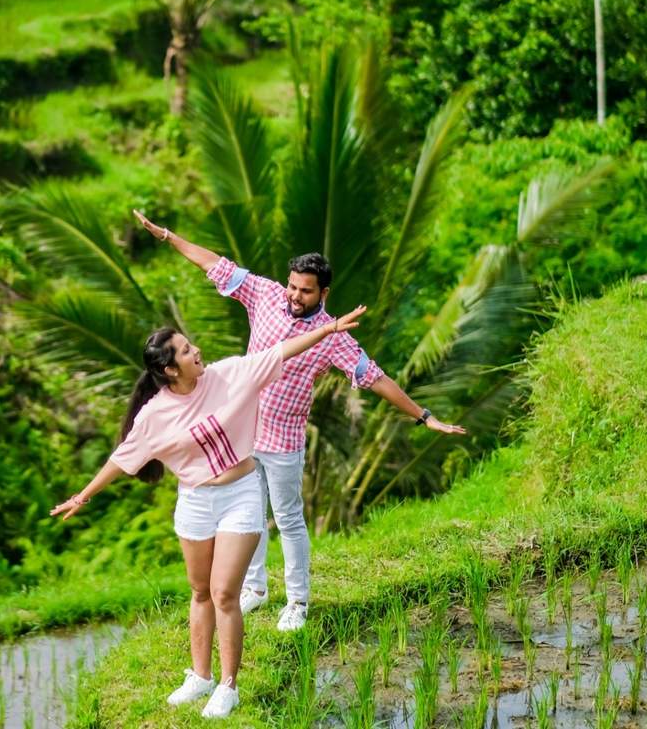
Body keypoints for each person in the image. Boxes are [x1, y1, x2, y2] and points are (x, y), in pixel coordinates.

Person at [132, 209, 466, 633]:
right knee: (248, 517)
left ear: (322, 293)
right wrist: (167, 236)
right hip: (242, 434)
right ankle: (254, 589)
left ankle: (298, 601)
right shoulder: (265, 295)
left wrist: (424, 416)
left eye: (304, 291)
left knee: (287, 517)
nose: (294, 295)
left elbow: (376, 377)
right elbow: (213, 263)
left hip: (285, 440)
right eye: (292, 285)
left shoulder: (333, 334)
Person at [50, 306, 366, 719]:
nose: (196, 350)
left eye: (189, 344)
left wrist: (329, 328)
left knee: (223, 593)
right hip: (195, 502)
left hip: (241, 493)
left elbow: (282, 352)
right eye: (184, 350)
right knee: (200, 592)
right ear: (169, 370)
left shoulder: (231, 374)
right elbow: (123, 456)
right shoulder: (154, 414)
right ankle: (200, 676)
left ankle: (228, 685)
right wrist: (83, 495)